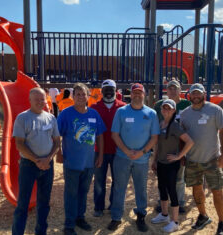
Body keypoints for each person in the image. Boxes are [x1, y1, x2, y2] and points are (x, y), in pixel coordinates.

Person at [107, 83, 160, 232]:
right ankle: (116, 217)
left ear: (144, 95)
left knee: (141, 188)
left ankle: (141, 215)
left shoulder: (151, 113)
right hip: (122, 157)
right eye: (134, 93)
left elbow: (154, 137)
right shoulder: (121, 111)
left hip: (142, 159)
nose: (137, 95)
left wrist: (142, 152)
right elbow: (115, 134)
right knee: (119, 187)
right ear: (131, 94)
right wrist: (126, 150)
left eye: (140, 93)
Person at [57, 83, 106, 235]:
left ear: (88, 96)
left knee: (83, 192)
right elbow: (56, 134)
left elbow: (100, 136)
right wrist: (58, 152)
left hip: (88, 162)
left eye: (83, 94)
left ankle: (80, 217)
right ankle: (69, 224)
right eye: (77, 94)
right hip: (72, 162)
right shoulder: (65, 114)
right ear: (72, 96)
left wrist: (100, 155)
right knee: (71, 193)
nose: (80, 97)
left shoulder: (94, 114)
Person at [180, 83, 223, 235]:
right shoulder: (185, 114)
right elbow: (182, 136)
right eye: (193, 93)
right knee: (197, 189)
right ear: (189, 95)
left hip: (212, 159)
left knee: (217, 192)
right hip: (192, 160)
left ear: (204, 94)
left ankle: (222, 222)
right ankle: (203, 215)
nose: (196, 96)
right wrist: (182, 155)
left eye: (198, 93)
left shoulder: (215, 110)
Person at [12, 87, 60, 235]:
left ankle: (41, 232)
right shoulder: (22, 118)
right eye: (36, 99)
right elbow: (19, 143)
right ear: (30, 100)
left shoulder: (51, 118)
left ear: (46, 100)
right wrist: (37, 161)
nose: (40, 102)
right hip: (29, 165)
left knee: (44, 203)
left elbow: (57, 142)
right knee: (23, 204)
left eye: (42, 99)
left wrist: (48, 159)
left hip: (47, 166)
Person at [150, 99, 194, 233]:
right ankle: (164, 215)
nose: (166, 110)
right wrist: (154, 159)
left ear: (174, 110)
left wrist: (179, 156)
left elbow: (190, 142)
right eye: (164, 108)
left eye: (169, 108)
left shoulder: (174, 126)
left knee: (172, 191)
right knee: (162, 189)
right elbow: (158, 144)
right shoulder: (161, 123)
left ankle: (174, 222)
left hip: (171, 164)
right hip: (161, 162)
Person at [153, 80, 191, 214]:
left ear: (180, 91)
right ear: (166, 90)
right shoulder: (159, 105)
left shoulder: (187, 104)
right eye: (170, 89)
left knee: (179, 178)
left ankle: (179, 202)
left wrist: (182, 153)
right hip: (163, 145)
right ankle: (162, 202)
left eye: (175, 89)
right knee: (162, 178)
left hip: (179, 145)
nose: (173, 91)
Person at [90, 79, 126, 217]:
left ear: (115, 91)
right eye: (106, 90)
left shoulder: (123, 107)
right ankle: (98, 207)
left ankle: (113, 205)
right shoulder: (94, 108)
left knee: (117, 181)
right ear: (101, 91)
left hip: (118, 151)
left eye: (111, 90)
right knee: (99, 181)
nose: (109, 92)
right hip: (99, 151)